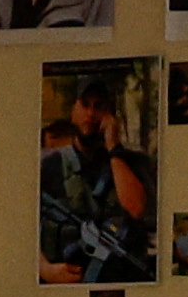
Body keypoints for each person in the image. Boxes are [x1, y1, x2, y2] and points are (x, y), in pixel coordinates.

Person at [38, 69, 152, 284]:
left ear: (110, 115)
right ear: (73, 110)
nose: (90, 114)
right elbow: (18, 227)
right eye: (85, 105)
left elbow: (136, 208)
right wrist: (44, 269)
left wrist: (114, 149)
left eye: (99, 106)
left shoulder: (133, 164)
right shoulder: (48, 165)